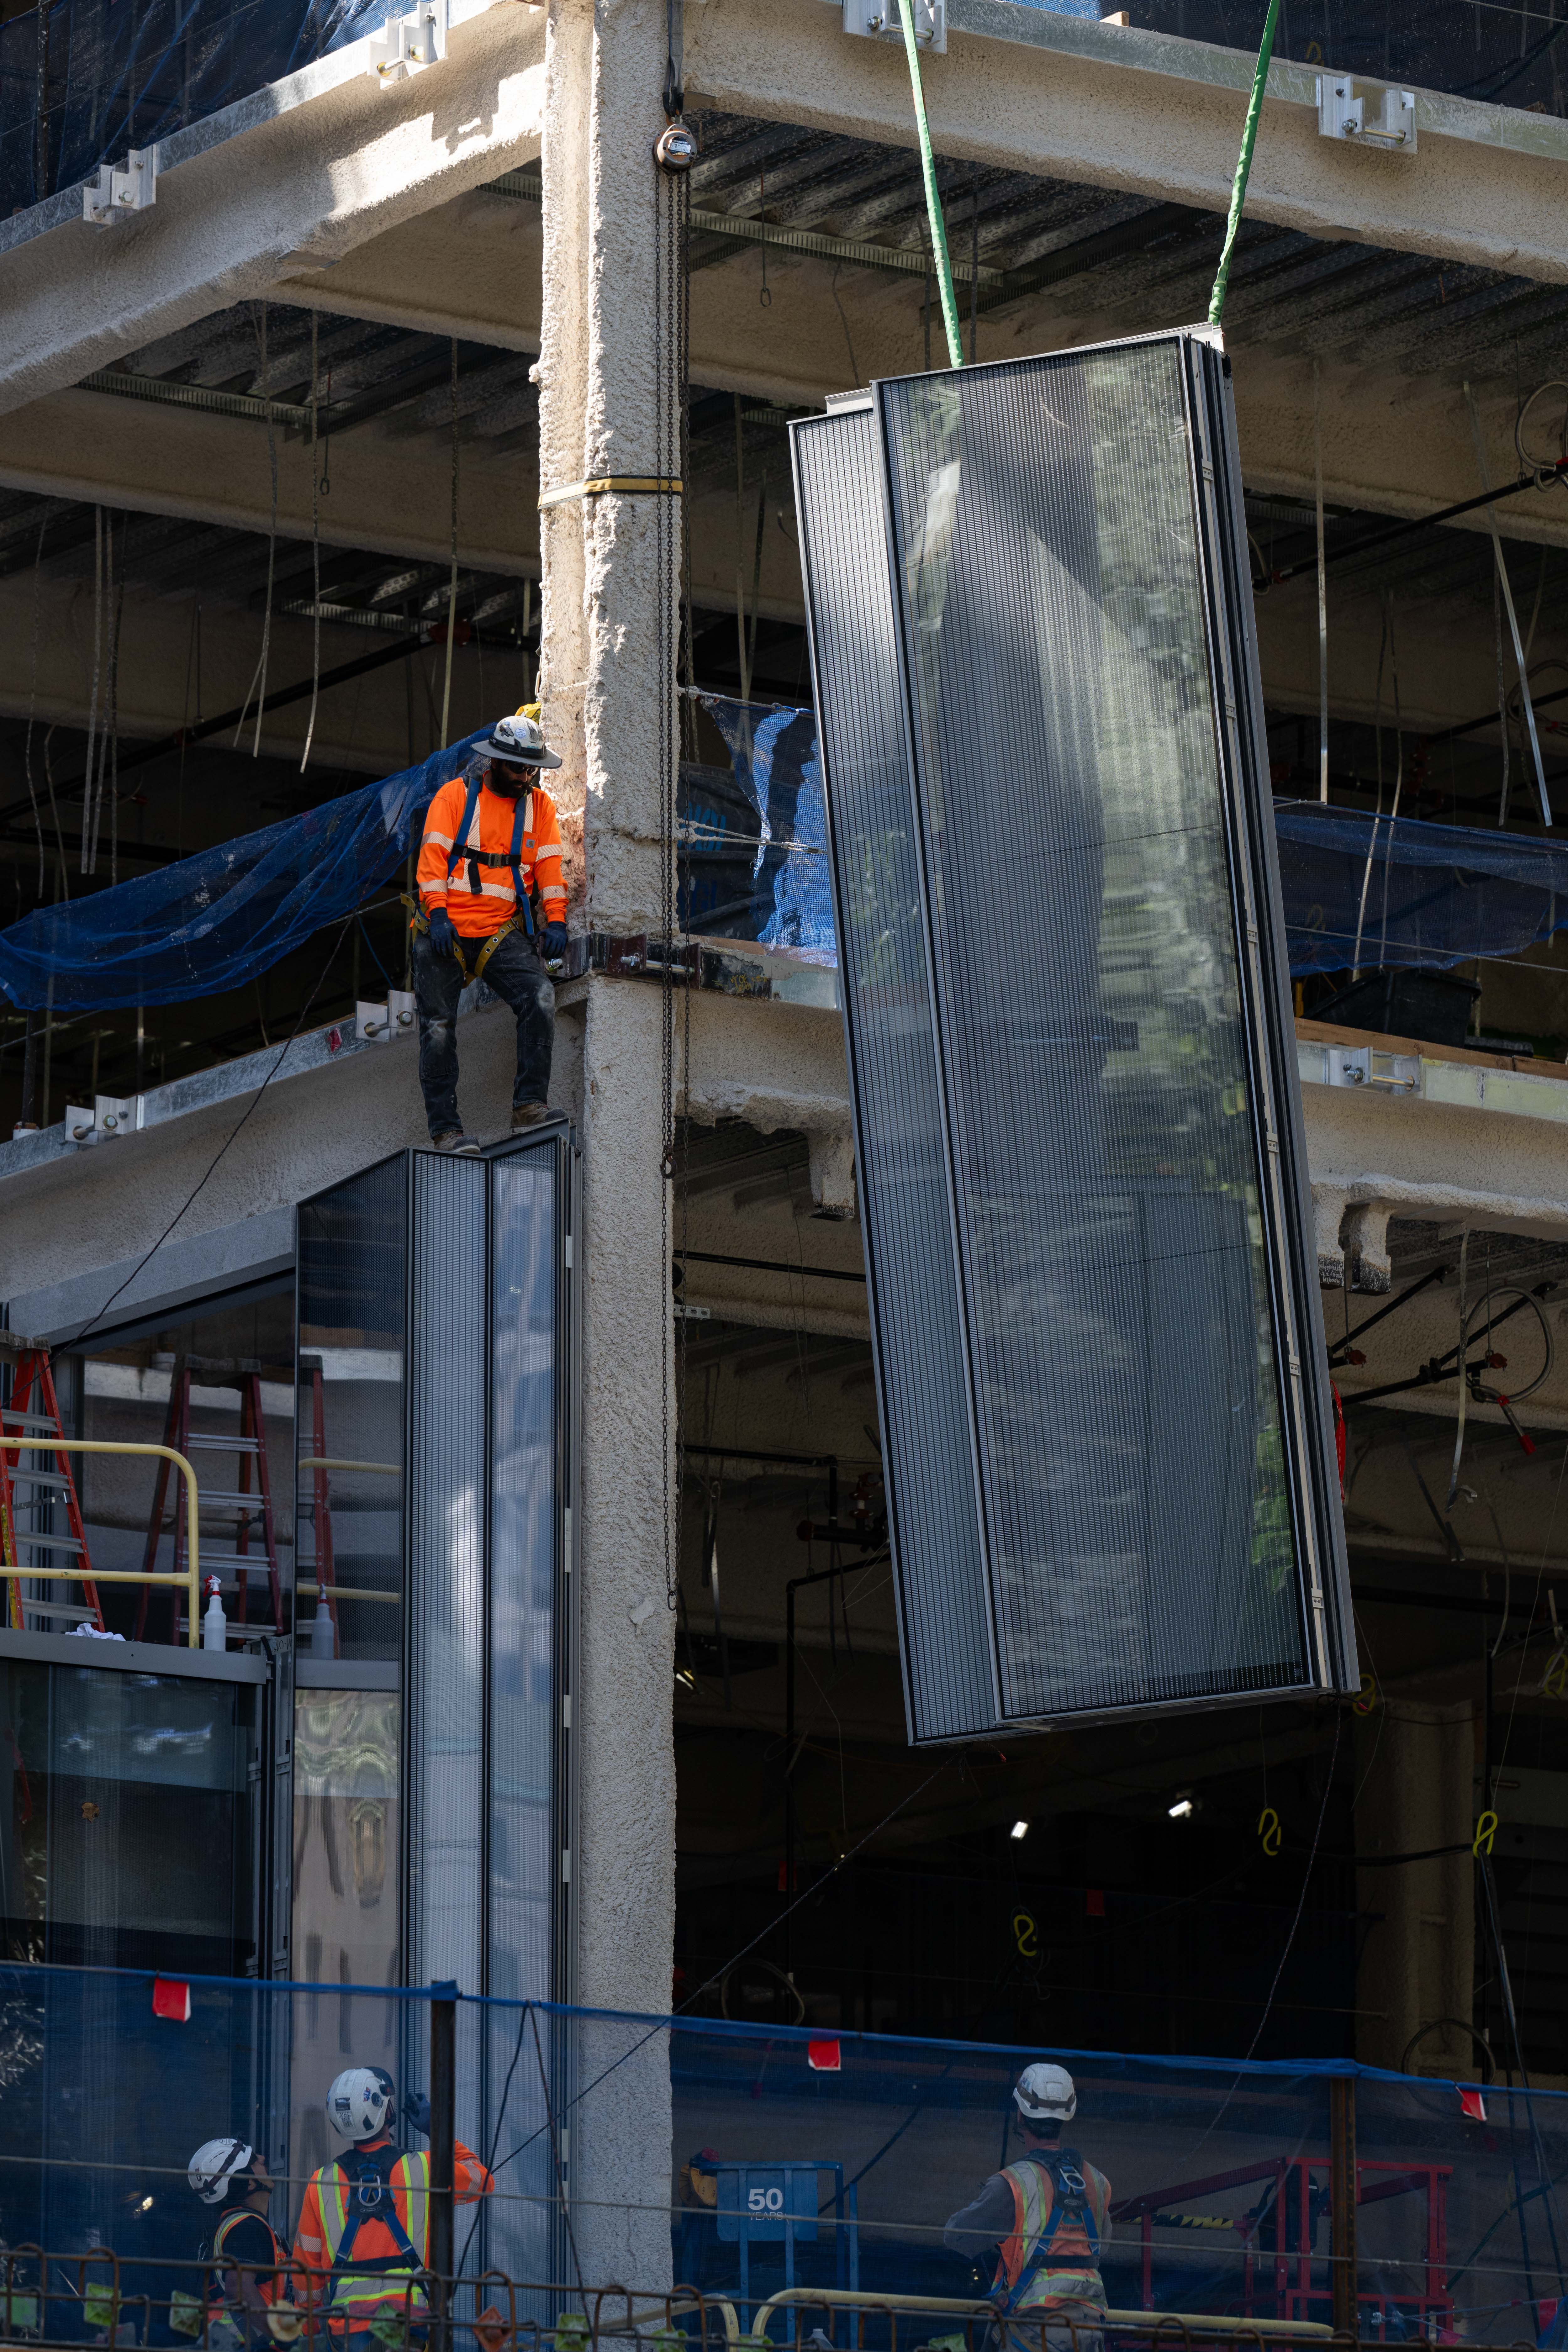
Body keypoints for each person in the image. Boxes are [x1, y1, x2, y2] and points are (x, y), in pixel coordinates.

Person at [411, 709, 568, 1152]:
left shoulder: (540, 808)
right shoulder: (453, 798)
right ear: (495, 761)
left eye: (531, 769)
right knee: (438, 1028)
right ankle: (447, 1132)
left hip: (498, 931)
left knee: (539, 996)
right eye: (518, 767)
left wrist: (556, 918)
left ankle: (529, 1107)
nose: (525, 777)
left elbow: (550, 870)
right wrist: (438, 914)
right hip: (443, 930)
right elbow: (432, 864)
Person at [293, 2065, 492, 2348]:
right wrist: (437, 2129)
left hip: (345, 2333)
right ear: (386, 2111)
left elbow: (305, 2273)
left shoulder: (320, 2183)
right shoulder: (423, 2170)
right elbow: (482, 2180)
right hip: (410, 2327)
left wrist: (311, 2330)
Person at [943, 2064, 1111, 2352]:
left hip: (1035, 2331)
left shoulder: (1012, 2184)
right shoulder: (1097, 2182)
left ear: (1020, 2115)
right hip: (1088, 2329)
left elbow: (957, 2237)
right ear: (1067, 2116)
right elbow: (1102, 2246)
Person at [186, 2138, 294, 2349]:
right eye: (255, 2161)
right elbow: (238, 2290)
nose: (263, 2158)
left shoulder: (233, 2225)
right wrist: (280, 2333)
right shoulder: (247, 2228)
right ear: (250, 2182)